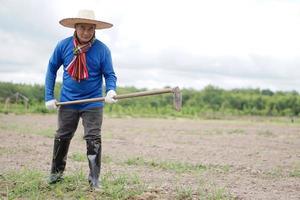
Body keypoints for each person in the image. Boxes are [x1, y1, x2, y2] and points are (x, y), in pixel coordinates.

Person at [44, 9, 117, 190]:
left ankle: (94, 180)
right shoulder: (63, 46)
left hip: (93, 102)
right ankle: (56, 174)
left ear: (95, 30)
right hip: (68, 100)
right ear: (75, 28)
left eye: (90, 29)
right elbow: (51, 69)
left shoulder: (102, 50)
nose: (86, 32)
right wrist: (49, 96)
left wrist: (111, 90)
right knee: (62, 136)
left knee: (93, 138)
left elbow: (109, 74)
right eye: (82, 28)